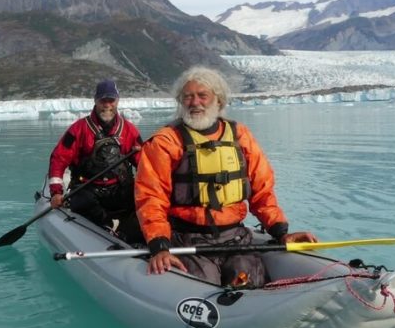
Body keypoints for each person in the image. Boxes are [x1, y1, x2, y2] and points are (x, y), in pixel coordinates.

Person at [134, 66, 317, 287]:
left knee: (249, 280)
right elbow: (151, 197)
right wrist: (160, 247)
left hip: (236, 239)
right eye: (188, 97)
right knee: (205, 286)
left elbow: (263, 189)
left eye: (202, 95)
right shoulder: (166, 141)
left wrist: (280, 231)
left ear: (218, 101)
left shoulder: (240, 135)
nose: (194, 102)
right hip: (188, 240)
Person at [47, 79, 143, 238]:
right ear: (95, 101)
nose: (107, 105)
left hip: (120, 190)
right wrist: (56, 193)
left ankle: (133, 229)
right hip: (88, 190)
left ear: (117, 101)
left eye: (111, 100)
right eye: (102, 100)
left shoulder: (129, 130)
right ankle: (109, 227)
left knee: (142, 197)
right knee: (82, 201)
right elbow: (58, 159)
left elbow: (144, 163)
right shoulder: (78, 129)